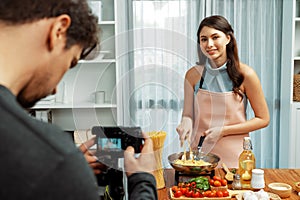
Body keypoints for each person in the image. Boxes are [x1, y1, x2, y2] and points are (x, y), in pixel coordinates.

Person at [0, 0, 157, 199]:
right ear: (59, 30)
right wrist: (142, 179)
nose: (54, 90)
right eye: (70, 63)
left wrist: (63, 174)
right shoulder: (53, 155)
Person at [176, 15, 270, 167]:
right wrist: (185, 122)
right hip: (199, 157)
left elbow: (263, 119)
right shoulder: (193, 75)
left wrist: (223, 131)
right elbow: (188, 114)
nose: (209, 44)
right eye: (204, 39)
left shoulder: (246, 74)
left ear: (227, 38)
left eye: (215, 37)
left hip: (235, 157)